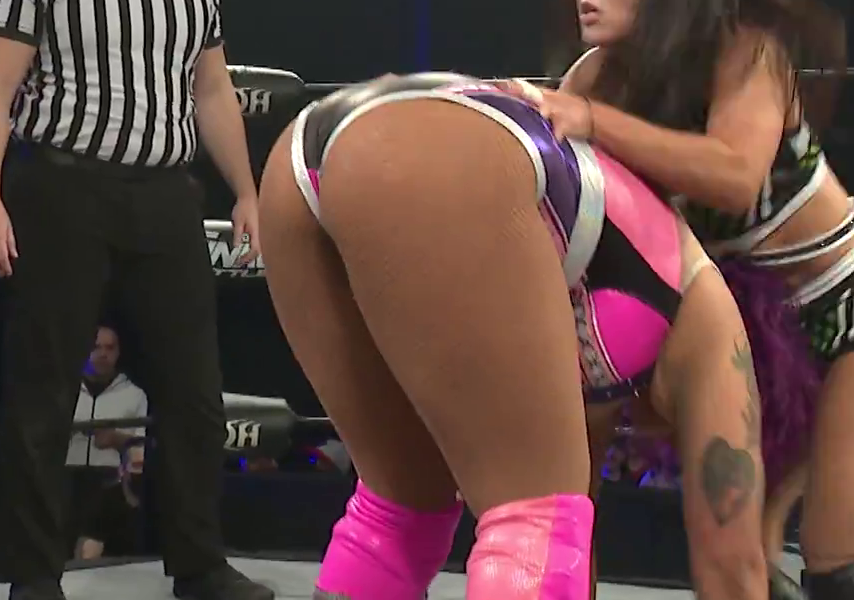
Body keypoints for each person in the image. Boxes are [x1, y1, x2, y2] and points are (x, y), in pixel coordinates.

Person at [524, 0, 854, 600]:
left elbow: (735, 176)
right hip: (745, 332)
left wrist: (591, 121)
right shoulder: (595, 79)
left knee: (847, 569)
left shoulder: (748, 52)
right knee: (742, 563)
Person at [257, 72, 784, 600]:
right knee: (533, 526)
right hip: (435, 154)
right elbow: (733, 564)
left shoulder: (595, 310)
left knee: (399, 510)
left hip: (303, 157)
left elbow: (579, 538)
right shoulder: (704, 322)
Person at [0, 0, 270, 600]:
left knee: (194, 389)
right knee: (44, 388)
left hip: (165, 195)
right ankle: (34, 575)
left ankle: (198, 564)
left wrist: (247, 190)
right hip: (64, 190)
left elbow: (212, 93)